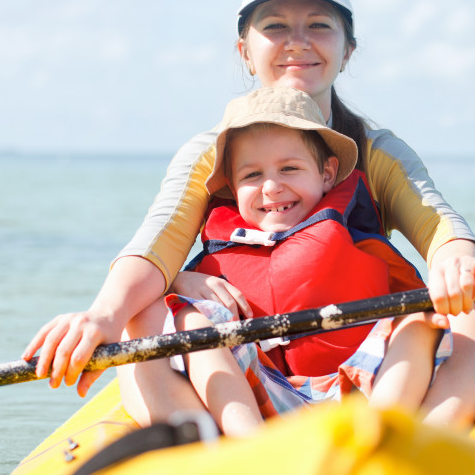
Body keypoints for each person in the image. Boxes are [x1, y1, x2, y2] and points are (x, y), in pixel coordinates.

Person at [22, 0, 475, 430]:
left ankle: (413, 438)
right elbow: (156, 241)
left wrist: (461, 264)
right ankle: (225, 448)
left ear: (347, 50)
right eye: (274, 26)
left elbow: (439, 224)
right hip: (248, 368)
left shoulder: (375, 149)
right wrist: (107, 314)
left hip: (360, 364)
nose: (297, 42)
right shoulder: (210, 153)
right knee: (140, 314)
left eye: (319, 25)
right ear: (244, 50)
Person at [170, 86, 448, 437]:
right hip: (263, 395)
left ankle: (379, 439)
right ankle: (251, 450)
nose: (271, 187)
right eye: (252, 175)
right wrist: (179, 280)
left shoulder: (353, 234)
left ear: (327, 174)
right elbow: (158, 302)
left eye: (289, 168)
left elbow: (421, 299)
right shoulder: (214, 259)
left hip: (362, 390)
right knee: (187, 316)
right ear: (233, 187)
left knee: (418, 321)